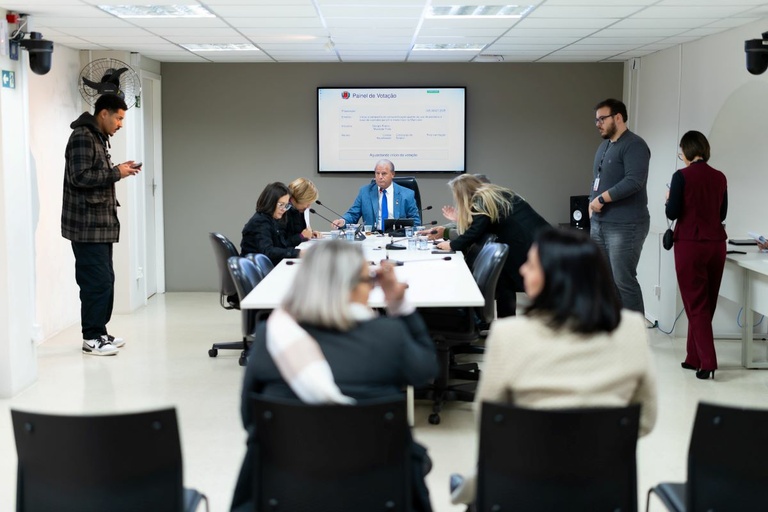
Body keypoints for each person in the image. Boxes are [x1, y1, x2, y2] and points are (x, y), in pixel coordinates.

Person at [450, 227, 657, 505]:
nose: (522, 270)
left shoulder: (509, 335)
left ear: (557, 278)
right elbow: (645, 420)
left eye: (532, 265)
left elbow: (489, 423)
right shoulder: (632, 329)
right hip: (600, 492)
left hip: (522, 488)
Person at [231, 240, 438, 512]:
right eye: (370, 279)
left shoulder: (273, 336)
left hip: (286, 494)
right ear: (351, 286)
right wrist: (399, 304)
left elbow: (250, 419)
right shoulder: (388, 336)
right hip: (376, 495)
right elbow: (427, 371)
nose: (373, 287)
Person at [62, 93, 141, 356]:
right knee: (95, 282)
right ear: (103, 113)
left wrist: (118, 169)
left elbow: (95, 174)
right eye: (118, 118)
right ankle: (92, 337)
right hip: (87, 227)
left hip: (101, 225)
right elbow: (80, 177)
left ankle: (100, 331)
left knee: (106, 280)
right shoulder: (83, 136)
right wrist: (116, 172)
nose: (120, 124)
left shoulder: (98, 137)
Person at [435, 174, 550, 317]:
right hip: (536, 238)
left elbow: (476, 230)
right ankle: (506, 322)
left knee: (536, 287)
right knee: (504, 281)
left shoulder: (481, 199)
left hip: (527, 242)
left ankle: (552, 323)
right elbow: (481, 225)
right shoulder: (493, 194)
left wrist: (452, 245)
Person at [666, 131, 728, 380]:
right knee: (706, 303)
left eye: (681, 151)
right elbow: (722, 214)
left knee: (695, 304)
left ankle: (708, 362)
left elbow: (672, 212)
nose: (680, 156)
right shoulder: (720, 177)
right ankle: (693, 357)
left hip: (691, 244)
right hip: (716, 245)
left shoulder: (681, 176)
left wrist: (668, 199)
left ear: (688, 151)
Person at [589, 98, 651, 314]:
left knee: (623, 281)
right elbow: (597, 179)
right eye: (596, 120)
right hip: (600, 224)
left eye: (602, 119)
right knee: (606, 282)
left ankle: (635, 339)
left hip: (626, 226)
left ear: (618, 117)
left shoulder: (634, 145)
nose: (598, 124)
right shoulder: (604, 146)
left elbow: (634, 181)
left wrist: (603, 198)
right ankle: (616, 334)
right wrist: (591, 201)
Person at [333, 159, 421, 230]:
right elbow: (353, 214)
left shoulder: (407, 194)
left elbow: (415, 222)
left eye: (384, 173)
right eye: (377, 173)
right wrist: (343, 221)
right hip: (371, 237)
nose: (380, 177)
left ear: (392, 174)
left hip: (398, 237)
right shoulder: (365, 192)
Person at [240, 182, 301, 265]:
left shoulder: (273, 219)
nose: (284, 209)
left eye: (286, 205)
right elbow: (268, 251)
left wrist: (301, 238)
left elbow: (282, 245)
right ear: (270, 202)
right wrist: (299, 253)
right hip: (258, 271)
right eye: (281, 205)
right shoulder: (260, 222)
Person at [284, 177, 321, 244]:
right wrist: (301, 236)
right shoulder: (282, 212)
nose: (309, 207)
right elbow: (282, 243)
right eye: (307, 203)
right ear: (297, 199)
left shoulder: (299, 209)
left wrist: (310, 233)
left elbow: (300, 231)